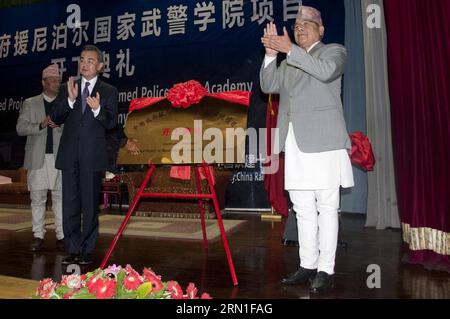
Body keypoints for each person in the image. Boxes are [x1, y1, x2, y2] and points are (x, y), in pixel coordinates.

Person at [260, 6, 354, 293]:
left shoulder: (334, 51)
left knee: (326, 206)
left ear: (321, 30)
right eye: (297, 24)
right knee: (301, 208)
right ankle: (307, 264)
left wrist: (290, 49)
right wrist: (271, 55)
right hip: (295, 142)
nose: (300, 28)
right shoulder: (288, 60)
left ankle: (326, 269)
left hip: (323, 141)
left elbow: (325, 73)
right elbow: (267, 86)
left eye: (307, 25)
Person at [52, 45, 118, 265]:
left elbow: (110, 123)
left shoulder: (108, 91)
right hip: (69, 155)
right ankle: (72, 248)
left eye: (90, 61)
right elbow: (55, 116)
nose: (84, 64)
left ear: (100, 66)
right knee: (69, 204)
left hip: (92, 156)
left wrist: (98, 110)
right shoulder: (67, 88)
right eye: (82, 59)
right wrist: (70, 101)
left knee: (90, 205)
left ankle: (87, 249)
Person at [16, 64, 65, 252]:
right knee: (38, 197)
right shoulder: (31, 103)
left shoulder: (64, 103)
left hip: (59, 157)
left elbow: (70, 129)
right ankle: (38, 236)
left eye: (58, 81)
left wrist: (58, 125)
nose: (56, 84)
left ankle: (61, 236)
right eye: (52, 80)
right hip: (37, 157)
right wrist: (41, 124)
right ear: (43, 82)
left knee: (60, 197)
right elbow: (21, 128)